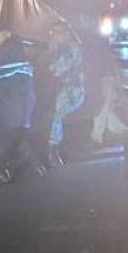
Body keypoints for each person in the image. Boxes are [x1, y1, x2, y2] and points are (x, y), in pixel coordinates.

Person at [0, 29, 36, 183]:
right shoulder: (15, 51)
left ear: (5, 34)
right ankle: (28, 168)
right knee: (18, 137)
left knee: (4, 138)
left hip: (11, 105)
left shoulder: (6, 51)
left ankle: (0, 171)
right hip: (18, 106)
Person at [44, 22, 86, 166]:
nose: (54, 35)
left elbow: (55, 69)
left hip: (72, 91)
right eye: (52, 32)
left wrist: (48, 60)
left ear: (67, 34)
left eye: (58, 32)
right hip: (63, 89)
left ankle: (52, 150)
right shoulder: (58, 48)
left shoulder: (71, 48)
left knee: (55, 116)